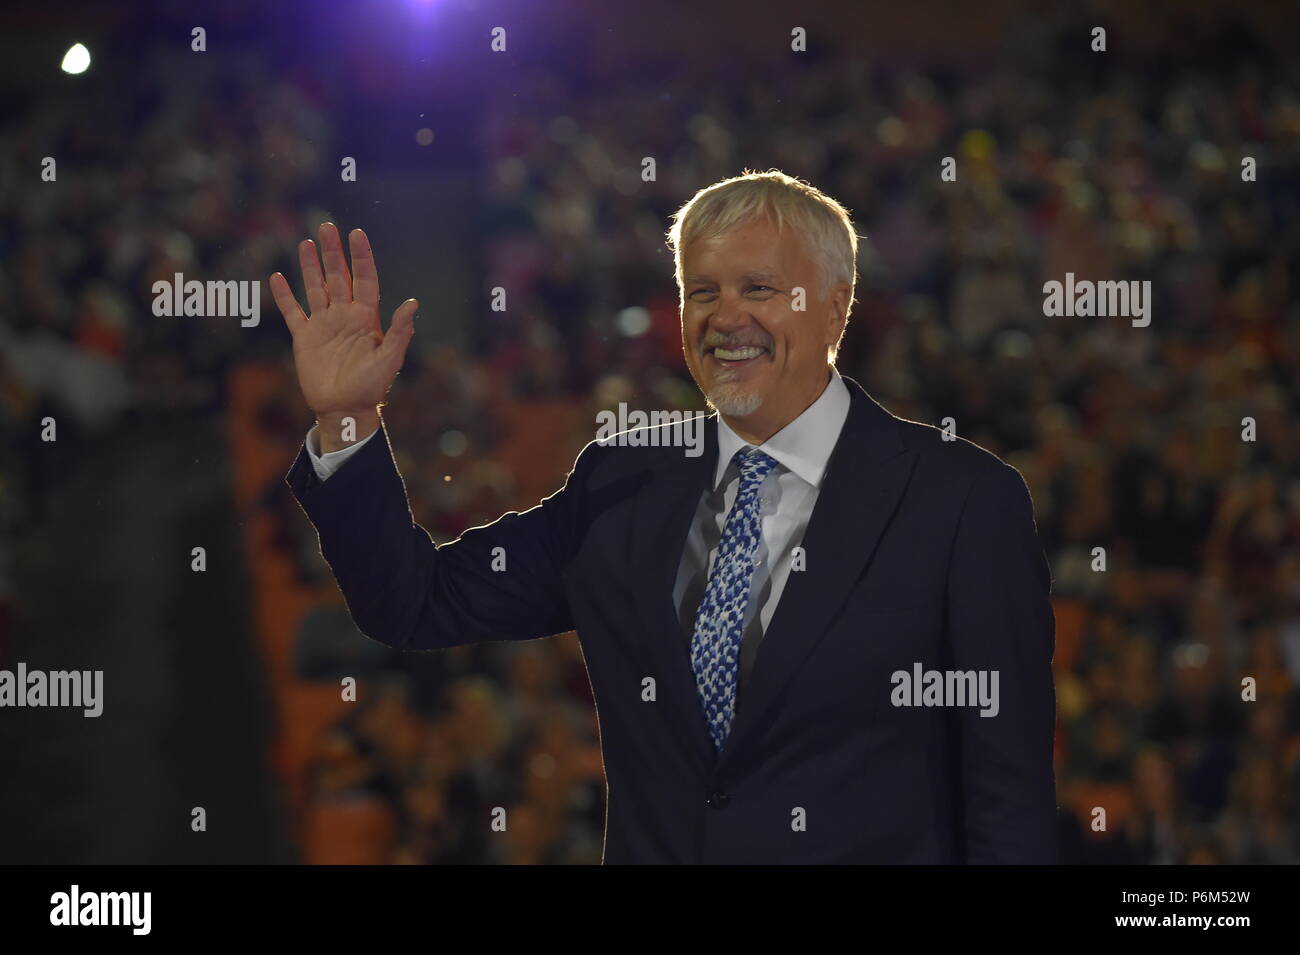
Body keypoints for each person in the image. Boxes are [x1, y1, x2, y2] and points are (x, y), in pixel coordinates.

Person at [269, 169, 1059, 863]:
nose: (724, 317)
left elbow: (1007, 802)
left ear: (835, 307)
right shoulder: (620, 482)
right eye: (701, 290)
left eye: (757, 288)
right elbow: (413, 602)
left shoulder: (960, 501)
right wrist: (347, 420)